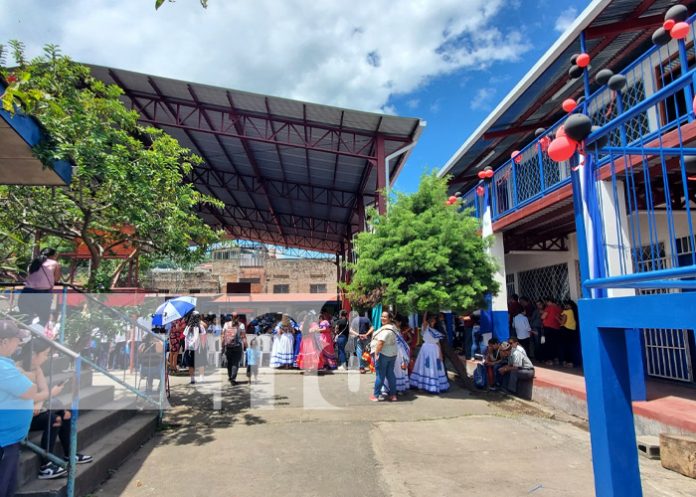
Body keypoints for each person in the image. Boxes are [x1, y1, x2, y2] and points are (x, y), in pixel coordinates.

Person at [18, 339, 93, 480]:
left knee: (63, 413)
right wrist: (45, 396)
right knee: (53, 419)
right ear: (34, 354)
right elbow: (24, 397)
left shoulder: (36, 369)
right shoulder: (18, 371)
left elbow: (43, 391)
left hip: (33, 411)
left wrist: (38, 403)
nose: (46, 358)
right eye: (45, 354)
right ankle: (45, 467)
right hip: (19, 417)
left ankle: (70, 454)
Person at [0, 321, 36, 497]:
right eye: (16, 339)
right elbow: (30, 391)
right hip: (3, 442)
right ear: (4, 342)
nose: (19, 343)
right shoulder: (3, 368)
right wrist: (24, 374)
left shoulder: (6, 365)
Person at [19, 248, 61, 326]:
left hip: (27, 292)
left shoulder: (34, 262)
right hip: (43, 293)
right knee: (43, 320)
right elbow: (56, 279)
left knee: (25, 319)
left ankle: (25, 336)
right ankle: (36, 336)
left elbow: (29, 275)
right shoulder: (54, 263)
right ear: (53, 256)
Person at [410, 312, 449, 394]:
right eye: (431, 320)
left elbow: (438, 343)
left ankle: (433, 385)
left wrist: (440, 354)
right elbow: (424, 321)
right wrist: (425, 312)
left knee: (435, 366)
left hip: (435, 350)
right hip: (426, 349)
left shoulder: (436, 331)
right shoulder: (425, 328)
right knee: (425, 366)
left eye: (434, 320)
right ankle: (424, 384)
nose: (433, 321)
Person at [370, 311, 399, 402]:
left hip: (383, 354)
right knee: (390, 374)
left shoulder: (386, 330)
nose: (382, 318)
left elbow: (380, 343)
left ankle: (376, 395)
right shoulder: (394, 328)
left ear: (390, 318)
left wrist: (376, 354)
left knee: (380, 375)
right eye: (382, 316)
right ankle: (393, 395)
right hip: (392, 354)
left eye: (385, 317)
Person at [221, 313, 246, 385]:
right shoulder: (241, 325)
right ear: (238, 318)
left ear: (231, 317)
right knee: (235, 362)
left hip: (228, 346)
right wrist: (246, 346)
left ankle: (230, 377)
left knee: (229, 362)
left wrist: (222, 345)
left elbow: (223, 335)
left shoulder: (226, 324)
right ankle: (233, 378)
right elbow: (243, 336)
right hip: (237, 346)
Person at [182, 312, 207, 384]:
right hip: (198, 348)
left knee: (191, 364)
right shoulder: (200, 327)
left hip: (189, 348)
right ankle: (201, 379)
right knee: (201, 363)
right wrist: (203, 347)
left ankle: (192, 379)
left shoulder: (188, 327)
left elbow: (185, 337)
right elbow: (203, 337)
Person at [541, 297, 562, 366]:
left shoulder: (549, 307)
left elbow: (543, 317)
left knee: (548, 344)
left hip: (548, 327)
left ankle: (549, 360)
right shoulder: (559, 308)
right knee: (555, 344)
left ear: (549, 301)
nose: (546, 303)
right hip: (557, 328)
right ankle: (556, 359)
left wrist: (542, 314)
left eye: (546, 302)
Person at [558, 300, 579, 368]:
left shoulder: (566, 311)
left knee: (566, 347)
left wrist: (556, 318)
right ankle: (574, 362)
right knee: (573, 347)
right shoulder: (574, 311)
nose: (565, 306)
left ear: (569, 305)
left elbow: (562, 322)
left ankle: (568, 362)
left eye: (566, 305)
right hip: (573, 331)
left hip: (565, 331)